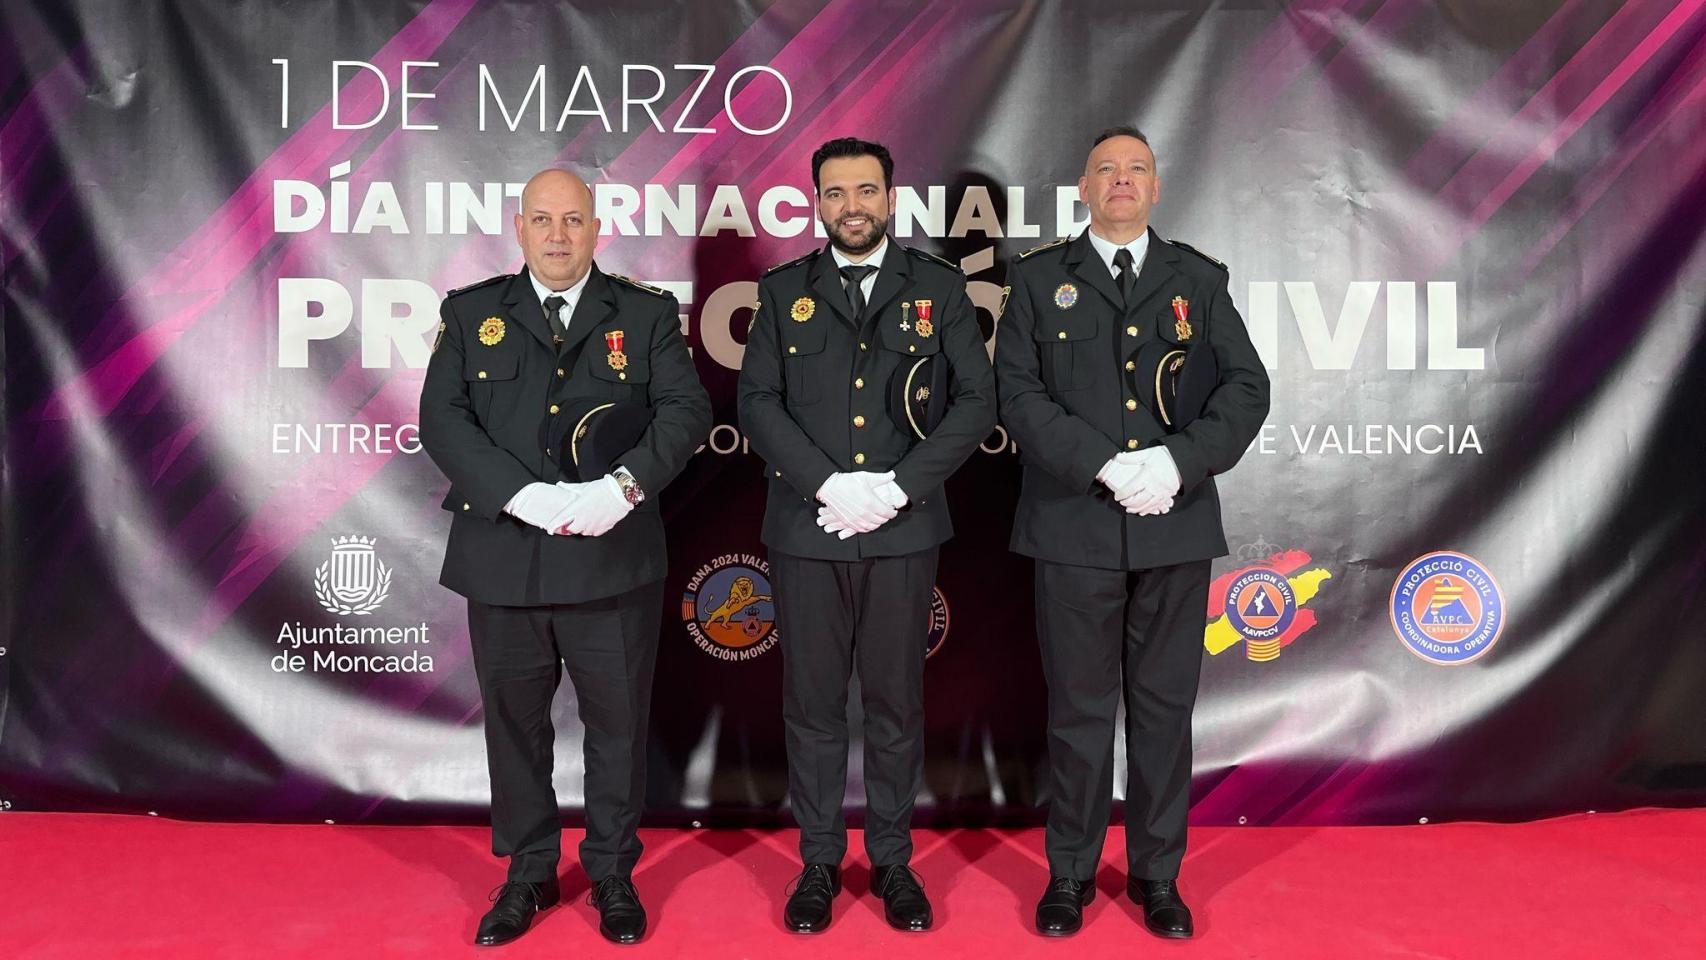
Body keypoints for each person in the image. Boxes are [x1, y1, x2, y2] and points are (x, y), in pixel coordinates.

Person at [419, 168, 711, 946]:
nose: (557, 235)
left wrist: (623, 487)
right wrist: (520, 496)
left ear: (596, 227)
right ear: (520, 227)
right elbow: (443, 421)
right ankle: (529, 873)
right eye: (543, 220)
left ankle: (613, 872)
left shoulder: (644, 315)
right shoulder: (472, 311)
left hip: (611, 558)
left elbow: (686, 410)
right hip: (504, 554)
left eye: (573, 220)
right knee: (515, 726)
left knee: (617, 724)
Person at [993, 126, 1270, 939]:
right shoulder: (1040, 280)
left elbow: (1248, 389)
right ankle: (1070, 875)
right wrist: (1106, 466)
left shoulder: (1199, 278)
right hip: (1073, 525)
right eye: (1106, 171)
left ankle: (1158, 876)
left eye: (1136, 170)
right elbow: (1018, 394)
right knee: (1077, 715)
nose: (1121, 181)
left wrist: (1178, 463)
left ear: (1156, 188)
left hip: (1173, 528)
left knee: (1162, 714)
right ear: (1082, 189)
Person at [737, 137, 997, 934]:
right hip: (806, 526)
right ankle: (818, 860)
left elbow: (974, 402)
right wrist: (829, 484)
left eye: (866, 190)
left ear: (891, 198)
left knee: (894, 701)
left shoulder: (938, 288)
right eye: (835, 192)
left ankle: (891, 859)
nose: (851, 204)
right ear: (818, 202)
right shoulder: (786, 291)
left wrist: (892, 488)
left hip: (903, 526)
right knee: (812, 704)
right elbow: (758, 402)